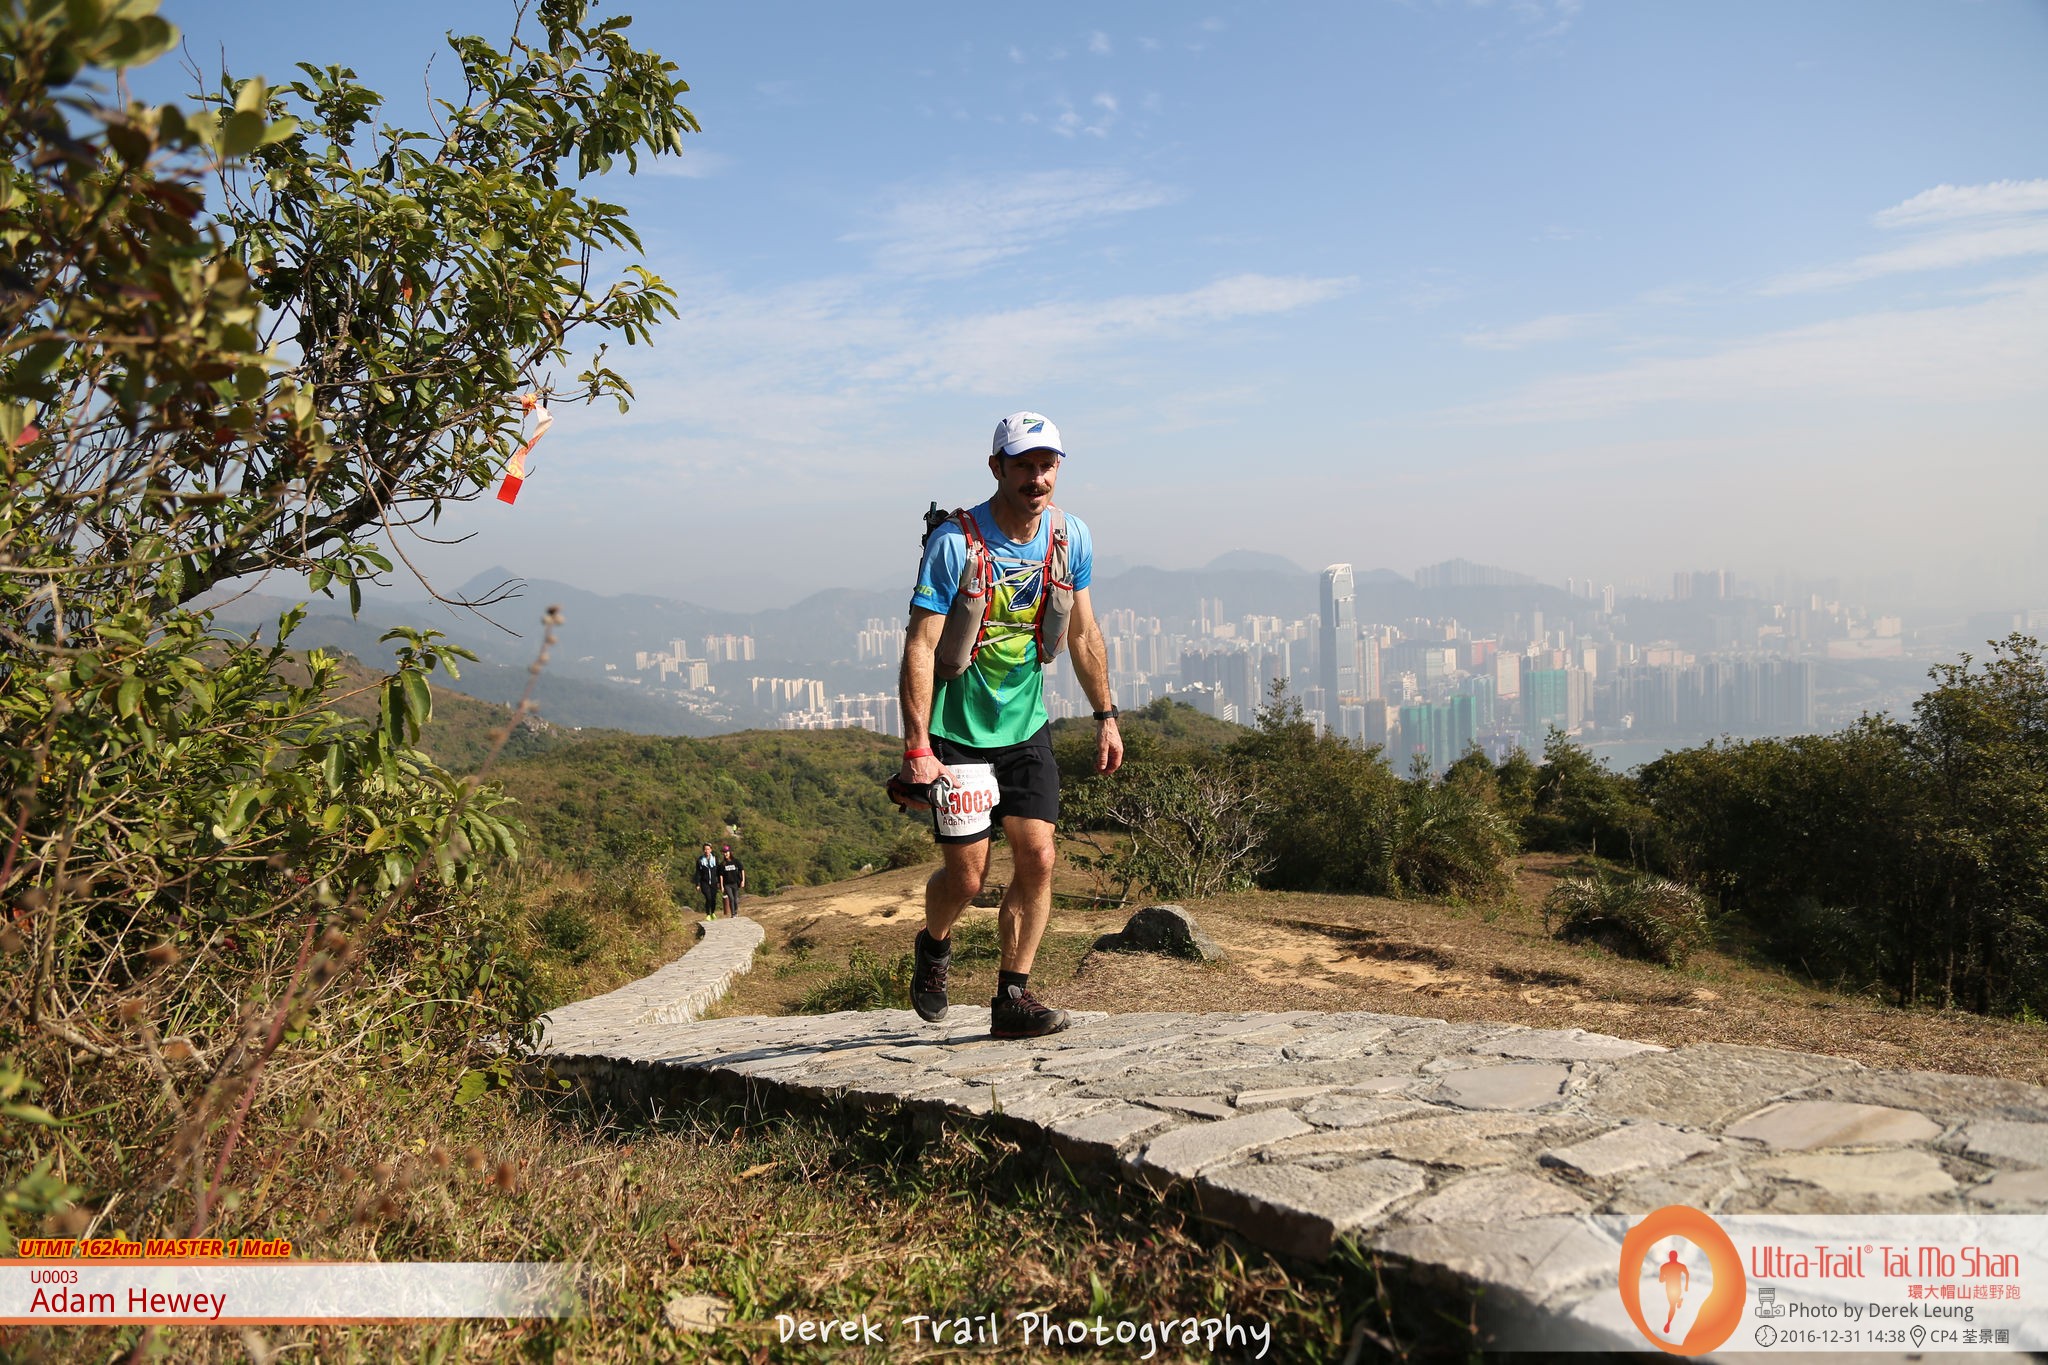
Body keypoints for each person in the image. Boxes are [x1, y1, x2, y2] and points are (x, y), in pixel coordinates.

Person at [896, 411, 1123, 1039]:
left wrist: (1106, 716)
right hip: (957, 732)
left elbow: (1083, 634)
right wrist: (917, 747)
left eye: (1047, 465)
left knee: (1040, 857)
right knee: (967, 877)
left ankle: (1012, 997)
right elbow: (920, 645)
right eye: (1023, 465)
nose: (1036, 478)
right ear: (996, 467)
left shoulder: (1070, 538)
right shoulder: (956, 543)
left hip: (1026, 727)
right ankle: (934, 943)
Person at [717, 843, 745, 917]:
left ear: (730, 852)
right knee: (731, 898)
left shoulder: (735, 861)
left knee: (735, 899)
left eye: (727, 852)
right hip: (727, 884)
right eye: (724, 852)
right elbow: (721, 876)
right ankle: (733, 913)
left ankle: (736, 911)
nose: (726, 854)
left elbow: (742, 870)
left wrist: (743, 881)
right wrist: (721, 886)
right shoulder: (722, 864)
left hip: (735, 883)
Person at [694, 842, 720, 917]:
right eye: (705, 849)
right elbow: (698, 872)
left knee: (713, 898)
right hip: (704, 882)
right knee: (708, 897)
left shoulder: (715, 858)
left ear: (711, 850)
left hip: (714, 882)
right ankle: (708, 913)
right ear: (703, 850)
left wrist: (719, 882)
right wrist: (697, 884)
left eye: (708, 849)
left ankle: (713, 912)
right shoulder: (700, 860)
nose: (706, 851)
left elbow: (718, 871)